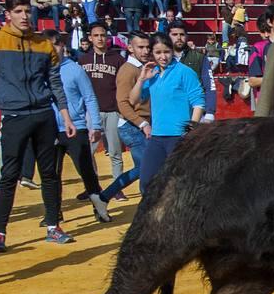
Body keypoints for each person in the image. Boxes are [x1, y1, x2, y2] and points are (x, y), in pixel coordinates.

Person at [0, 0, 77, 252]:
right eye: (19, 11)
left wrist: (65, 115)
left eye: (27, 11)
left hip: (44, 114)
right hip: (13, 115)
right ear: (7, 14)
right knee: (8, 175)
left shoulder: (43, 44)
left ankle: (53, 226)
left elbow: (55, 83)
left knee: (50, 174)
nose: (24, 16)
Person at [51, 34, 111, 223]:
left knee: (86, 171)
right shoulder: (41, 69)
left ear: (62, 46)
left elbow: (90, 97)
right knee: (51, 175)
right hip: (50, 128)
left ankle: (99, 207)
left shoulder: (75, 70)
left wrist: (95, 125)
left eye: (55, 45)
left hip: (76, 127)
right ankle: (54, 214)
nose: (52, 49)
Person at [132, 33, 204, 192]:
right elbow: (134, 100)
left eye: (166, 52)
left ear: (172, 51)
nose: (163, 56)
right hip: (157, 137)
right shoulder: (152, 74)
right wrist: (141, 79)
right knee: (146, 182)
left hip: (179, 137)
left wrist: (191, 130)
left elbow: (198, 102)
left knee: (181, 184)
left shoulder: (185, 72)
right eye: (158, 52)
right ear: (152, 53)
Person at [99, 32, 153, 203]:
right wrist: (143, 123)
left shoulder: (143, 67)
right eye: (140, 47)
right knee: (147, 168)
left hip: (139, 124)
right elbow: (122, 104)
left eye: (147, 47)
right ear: (130, 48)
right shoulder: (128, 70)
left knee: (144, 168)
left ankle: (103, 198)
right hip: (132, 125)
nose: (145, 51)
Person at [79, 21, 126, 182]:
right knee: (87, 152)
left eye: (102, 35)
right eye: (96, 35)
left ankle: (117, 187)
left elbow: (123, 85)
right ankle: (92, 185)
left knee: (115, 151)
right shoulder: (83, 60)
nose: (99, 39)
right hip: (91, 113)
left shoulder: (118, 59)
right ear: (90, 38)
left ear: (107, 37)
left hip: (113, 111)